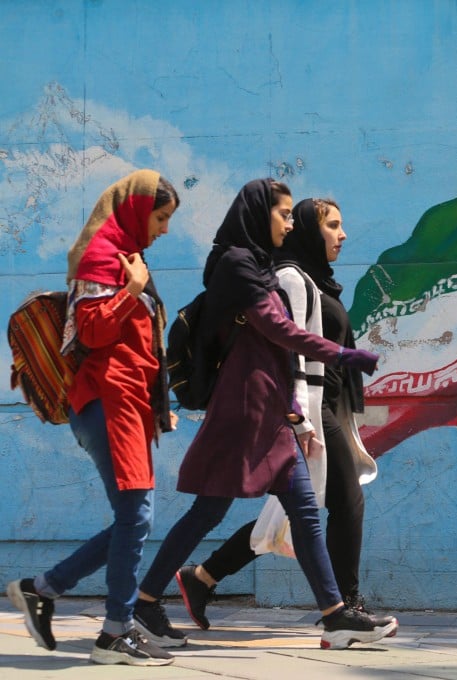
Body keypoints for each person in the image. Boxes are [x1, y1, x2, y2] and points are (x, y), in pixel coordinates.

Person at [130, 178, 394, 650]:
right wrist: (346, 355)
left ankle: (334, 614)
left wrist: (295, 412)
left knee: (306, 512)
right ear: (258, 214)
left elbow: (270, 352)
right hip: (242, 411)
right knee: (205, 513)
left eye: (294, 215)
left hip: (268, 408)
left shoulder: (255, 264)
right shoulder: (237, 265)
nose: (290, 224)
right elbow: (278, 330)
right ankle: (145, 601)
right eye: (284, 214)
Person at [6, 170, 180, 667]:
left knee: (133, 518)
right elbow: (91, 330)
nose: (164, 229)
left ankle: (44, 589)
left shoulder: (127, 256)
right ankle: (114, 631)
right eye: (161, 217)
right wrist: (132, 291)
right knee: (137, 516)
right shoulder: (100, 257)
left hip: (125, 403)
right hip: (108, 399)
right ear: (136, 209)